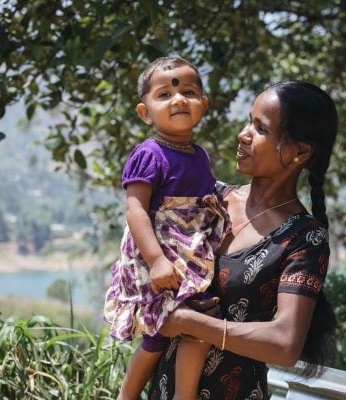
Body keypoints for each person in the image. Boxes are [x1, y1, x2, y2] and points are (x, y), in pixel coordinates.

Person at [146, 80, 338, 399]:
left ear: (300, 152)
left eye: (260, 128)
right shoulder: (210, 197)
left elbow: (285, 343)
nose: (243, 134)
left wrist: (191, 323)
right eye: (249, 120)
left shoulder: (304, 237)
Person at [103, 56, 230, 400]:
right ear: (145, 112)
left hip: (189, 254)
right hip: (158, 254)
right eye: (165, 94)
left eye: (188, 92)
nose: (178, 99)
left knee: (202, 322)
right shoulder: (150, 154)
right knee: (158, 337)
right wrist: (157, 261)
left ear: (202, 105)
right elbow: (135, 209)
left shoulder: (199, 155)